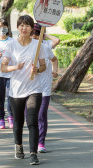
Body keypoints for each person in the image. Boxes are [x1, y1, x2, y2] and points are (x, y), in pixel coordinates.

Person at [1, 15, 46, 165]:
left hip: (34, 88)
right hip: (16, 90)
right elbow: (3, 67)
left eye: (27, 25)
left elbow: (43, 66)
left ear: (32, 28)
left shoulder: (38, 45)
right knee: (18, 121)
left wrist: (37, 69)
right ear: (18, 27)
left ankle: (33, 154)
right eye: (21, 25)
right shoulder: (11, 45)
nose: (24, 28)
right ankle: (18, 146)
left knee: (32, 121)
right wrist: (15, 67)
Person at [31, 23, 59, 153]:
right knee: (31, 118)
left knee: (41, 115)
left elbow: (54, 60)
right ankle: (34, 139)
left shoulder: (45, 47)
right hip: (29, 89)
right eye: (34, 34)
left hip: (44, 88)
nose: (35, 37)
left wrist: (55, 70)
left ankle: (40, 142)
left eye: (37, 34)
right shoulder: (25, 48)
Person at [0, 18, 14, 130]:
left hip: (10, 73)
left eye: (4, 26)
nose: (2, 29)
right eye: (0, 26)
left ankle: (11, 117)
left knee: (10, 96)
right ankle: (1, 119)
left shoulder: (12, 41)